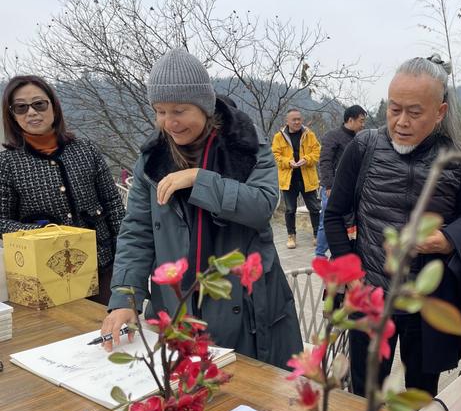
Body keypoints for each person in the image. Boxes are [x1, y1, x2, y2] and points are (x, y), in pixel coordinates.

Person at [324, 55, 461, 396]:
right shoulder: (364, 148)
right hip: (371, 295)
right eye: (394, 109)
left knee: (420, 396)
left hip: (427, 301)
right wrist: (351, 270)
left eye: (414, 112)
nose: (401, 122)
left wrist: (446, 239)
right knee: (363, 394)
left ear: (440, 112)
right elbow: (333, 214)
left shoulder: (458, 162)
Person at [101, 48, 302, 369]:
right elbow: (137, 233)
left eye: (179, 110)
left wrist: (199, 180)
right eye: (160, 111)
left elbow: (262, 206)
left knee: (252, 402)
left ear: (204, 107)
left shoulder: (247, 144)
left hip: (249, 307)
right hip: (178, 305)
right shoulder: (151, 161)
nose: (169, 122)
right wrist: (126, 297)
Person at [0, 75, 125, 305]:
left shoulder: (85, 150)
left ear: (53, 107)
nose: (31, 112)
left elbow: (114, 205)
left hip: (104, 265)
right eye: (21, 107)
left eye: (39, 104)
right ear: (12, 115)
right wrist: (41, 232)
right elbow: (1, 221)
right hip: (45, 276)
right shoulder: (7, 164)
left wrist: (126, 260)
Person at [316, 105, 367, 258]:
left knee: (349, 223)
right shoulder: (332, 136)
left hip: (353, 189)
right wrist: (329, 186)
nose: (363, 125)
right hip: (333, 188)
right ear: (350, 120)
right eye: (361, 121)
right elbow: (325, 162)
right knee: (328, 220)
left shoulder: (360, 138)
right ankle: (320, 254)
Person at [271, 109, 321, 249]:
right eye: (294, 119)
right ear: (287, 121)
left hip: (307, 178)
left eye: (299, 119)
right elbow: (275, 155)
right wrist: (288, 162)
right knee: (290, 210)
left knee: (314, 208)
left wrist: (307, 159)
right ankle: (291, 236)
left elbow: (317, 151)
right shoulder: (278, 137)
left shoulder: (309, 134)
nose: (297, 122)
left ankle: (317, 235)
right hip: (289, 179)